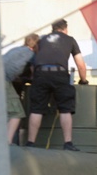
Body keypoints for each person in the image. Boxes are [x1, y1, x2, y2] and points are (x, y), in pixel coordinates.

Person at [26, 19, 88, 151]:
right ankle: (68, 143)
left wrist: (35, 78)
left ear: (52, 29)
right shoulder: (69, 39)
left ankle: (30, 143)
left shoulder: (41, 40)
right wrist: (84, 80)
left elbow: (33, 63)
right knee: (65, 108)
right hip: (59, 74)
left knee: (36, 109)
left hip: (40, 73)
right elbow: (81, 64)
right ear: (65, 29)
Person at [2, 33, 39, 144]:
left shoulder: (16, 49)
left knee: (5, 112)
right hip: (3, 80)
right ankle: (8, 142)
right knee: (16, 113)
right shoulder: (31, 54)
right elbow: (34, 72)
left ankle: (3, 141)